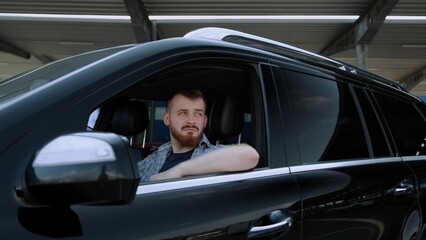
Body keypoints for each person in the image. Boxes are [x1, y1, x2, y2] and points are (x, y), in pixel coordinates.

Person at [138, 89, 259, 182]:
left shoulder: (213, 154)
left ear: (205, 121)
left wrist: (179, 170)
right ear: (166, 119)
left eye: (198, 114)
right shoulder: (154, 158)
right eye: (183, 113)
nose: (191, 120)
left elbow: (250, 155)